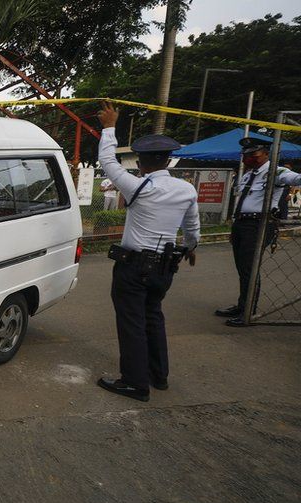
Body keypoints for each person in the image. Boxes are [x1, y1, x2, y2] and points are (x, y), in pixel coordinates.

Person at [95, 102, 200, 402]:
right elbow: (191, 227)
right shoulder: (186, 190)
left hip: (134, 268)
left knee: (132, 323)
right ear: (167, 161)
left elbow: (107, 161)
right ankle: (159, 375)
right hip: (164, 268)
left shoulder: (137, 187)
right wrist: (191, 248)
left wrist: (109, 127)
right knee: (153, 317)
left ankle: (134, 382)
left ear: (140, 162)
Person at [214, 138, 301, 326]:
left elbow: (295, 179)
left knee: (249, 268)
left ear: (266, 153)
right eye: (246, 155)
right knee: (242, 267)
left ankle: (248, 311)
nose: (249, 158)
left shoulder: (276, 172)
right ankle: (242, 304)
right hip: (242, 224)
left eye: (254, 154)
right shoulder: (248, 174)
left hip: (258, 224)